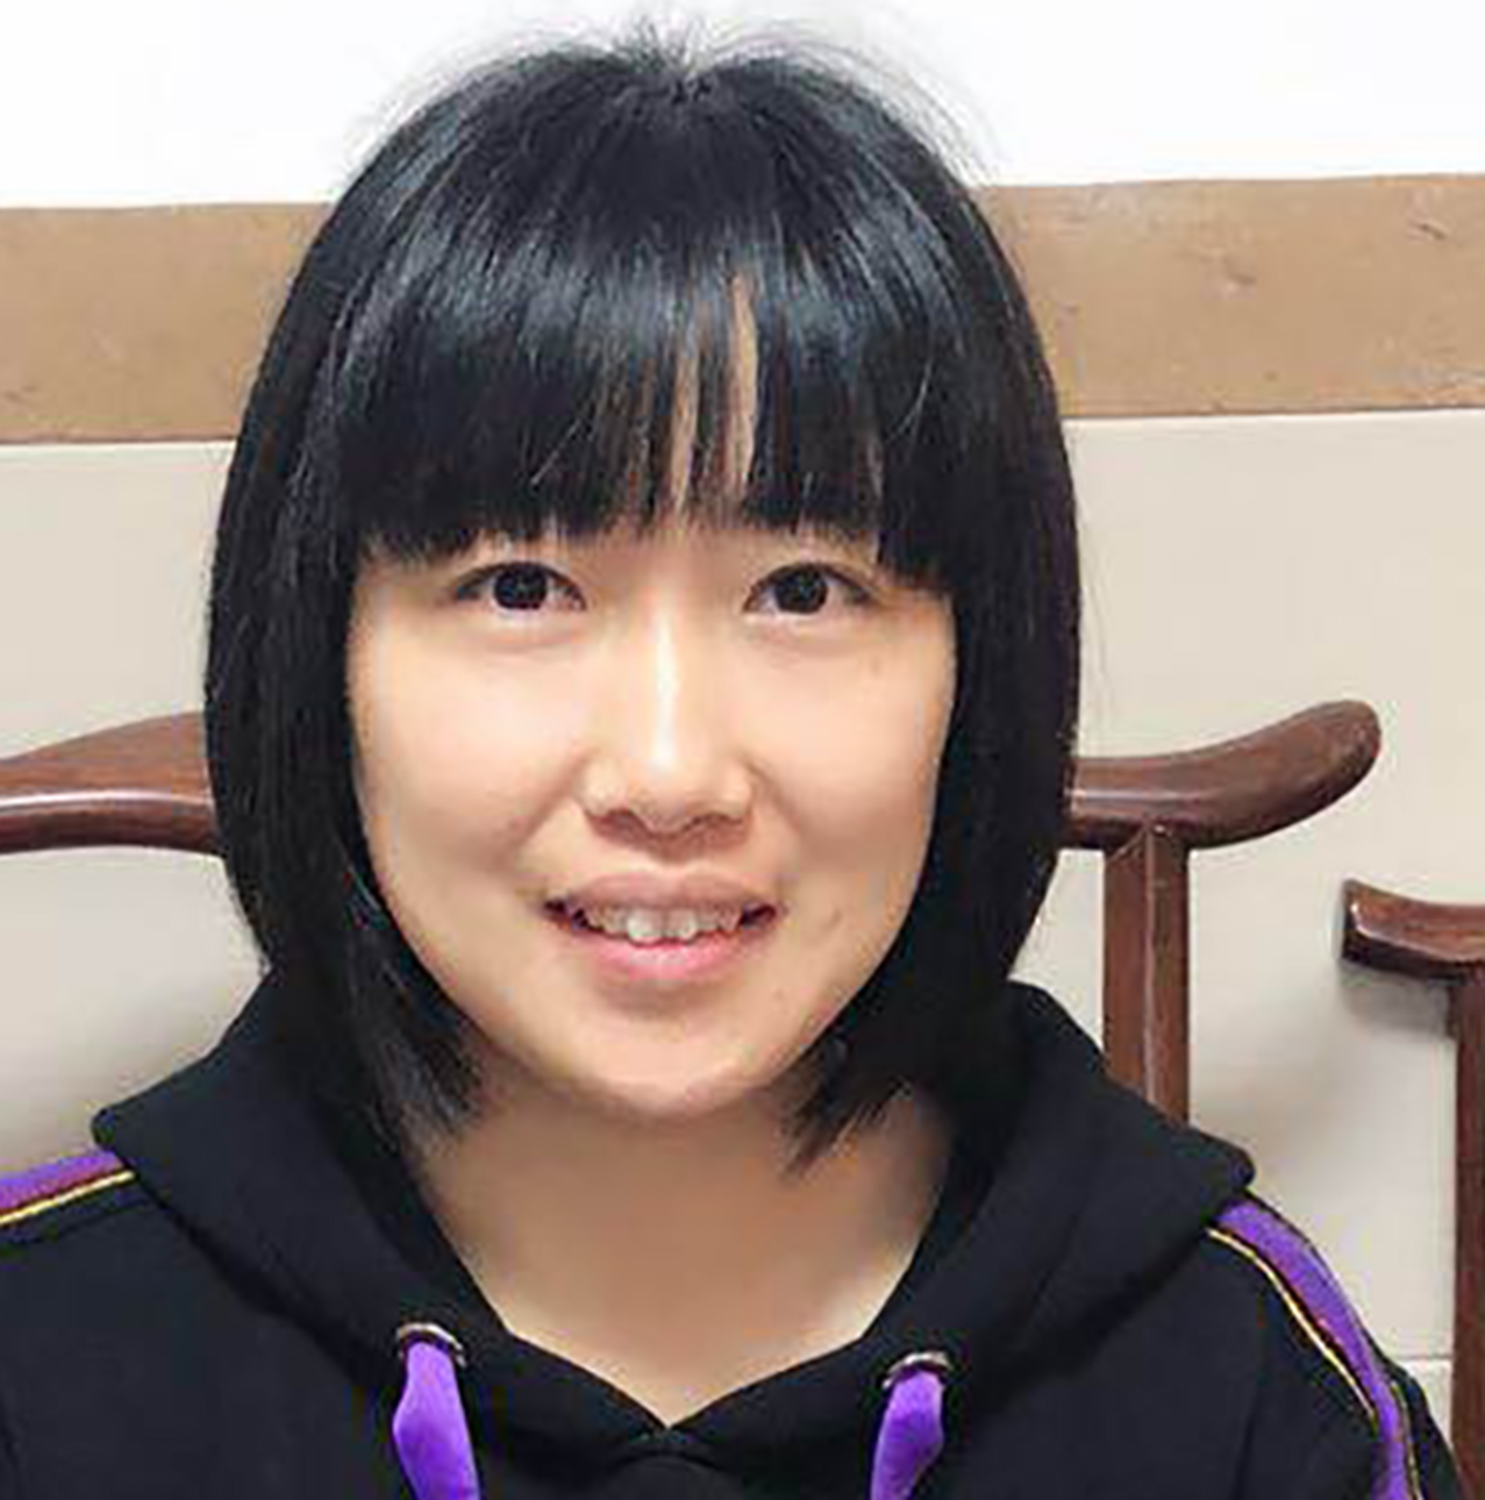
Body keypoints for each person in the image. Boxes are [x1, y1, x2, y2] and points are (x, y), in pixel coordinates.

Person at [0, 21, 1464, 1500]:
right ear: (319, 658)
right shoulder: (44, 1369)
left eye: (803, 591)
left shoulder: (1254, 1390)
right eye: (522, 587)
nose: (667, 771)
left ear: (982, 667)